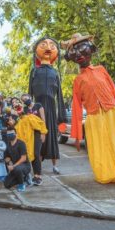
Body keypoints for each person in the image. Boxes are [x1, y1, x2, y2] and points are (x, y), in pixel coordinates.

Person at [62, 33, 115, 184]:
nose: (79, 54)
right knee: (101, 149)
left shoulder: (101, 70)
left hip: (114, 114)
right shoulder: (78, 80)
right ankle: (108, 175)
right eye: (74, 51)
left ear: (91, 49)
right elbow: (77, 108)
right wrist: (77, 136)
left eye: (82, 49)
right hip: (95, 119)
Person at [28, 37, 67, 174]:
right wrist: (27, 111)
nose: (48, 47)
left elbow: (60, 95)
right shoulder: (34, 71)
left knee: (52, 137)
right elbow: (29, 93)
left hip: (51, 109)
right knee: (38, 137)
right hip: (37, 110)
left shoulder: (55, 72)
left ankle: (55, 165)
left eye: (51, 45)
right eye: (43, 45)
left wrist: (61, 116)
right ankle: (37, 165)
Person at [20, 93, 47, 186]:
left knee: (36, 153)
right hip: (29, 134)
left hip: (38, 132)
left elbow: (43, 120)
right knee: (31, 153)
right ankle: (35, 175)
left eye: (25, 98)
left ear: (30, 97)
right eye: (23, 100)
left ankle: (38, 176)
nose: (25, 101)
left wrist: (43, 133)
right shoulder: (25, 109)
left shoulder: (38, 105)